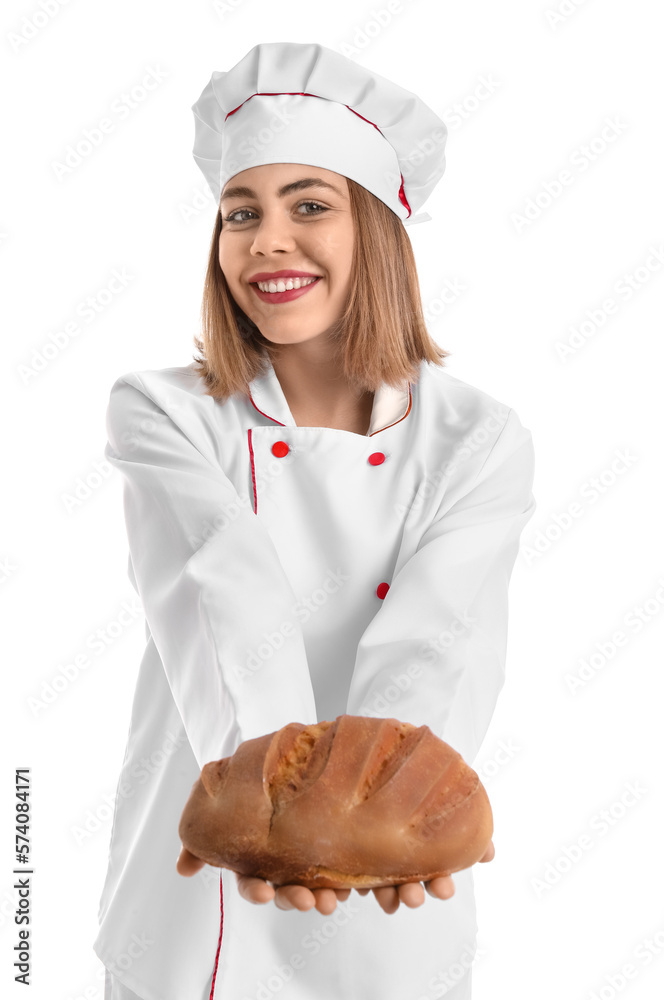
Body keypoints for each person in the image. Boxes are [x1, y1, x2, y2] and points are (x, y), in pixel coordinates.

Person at [93, 41, 536, 1000]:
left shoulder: (475, 437)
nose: (266, 240)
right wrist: (273, 821)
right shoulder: (163, 408)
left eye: (309, 205)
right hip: (195, 895)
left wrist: (358, 820)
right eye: (239, 213)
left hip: (393, 890)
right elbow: (220, 585)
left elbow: (437, 641)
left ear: (376, 230)